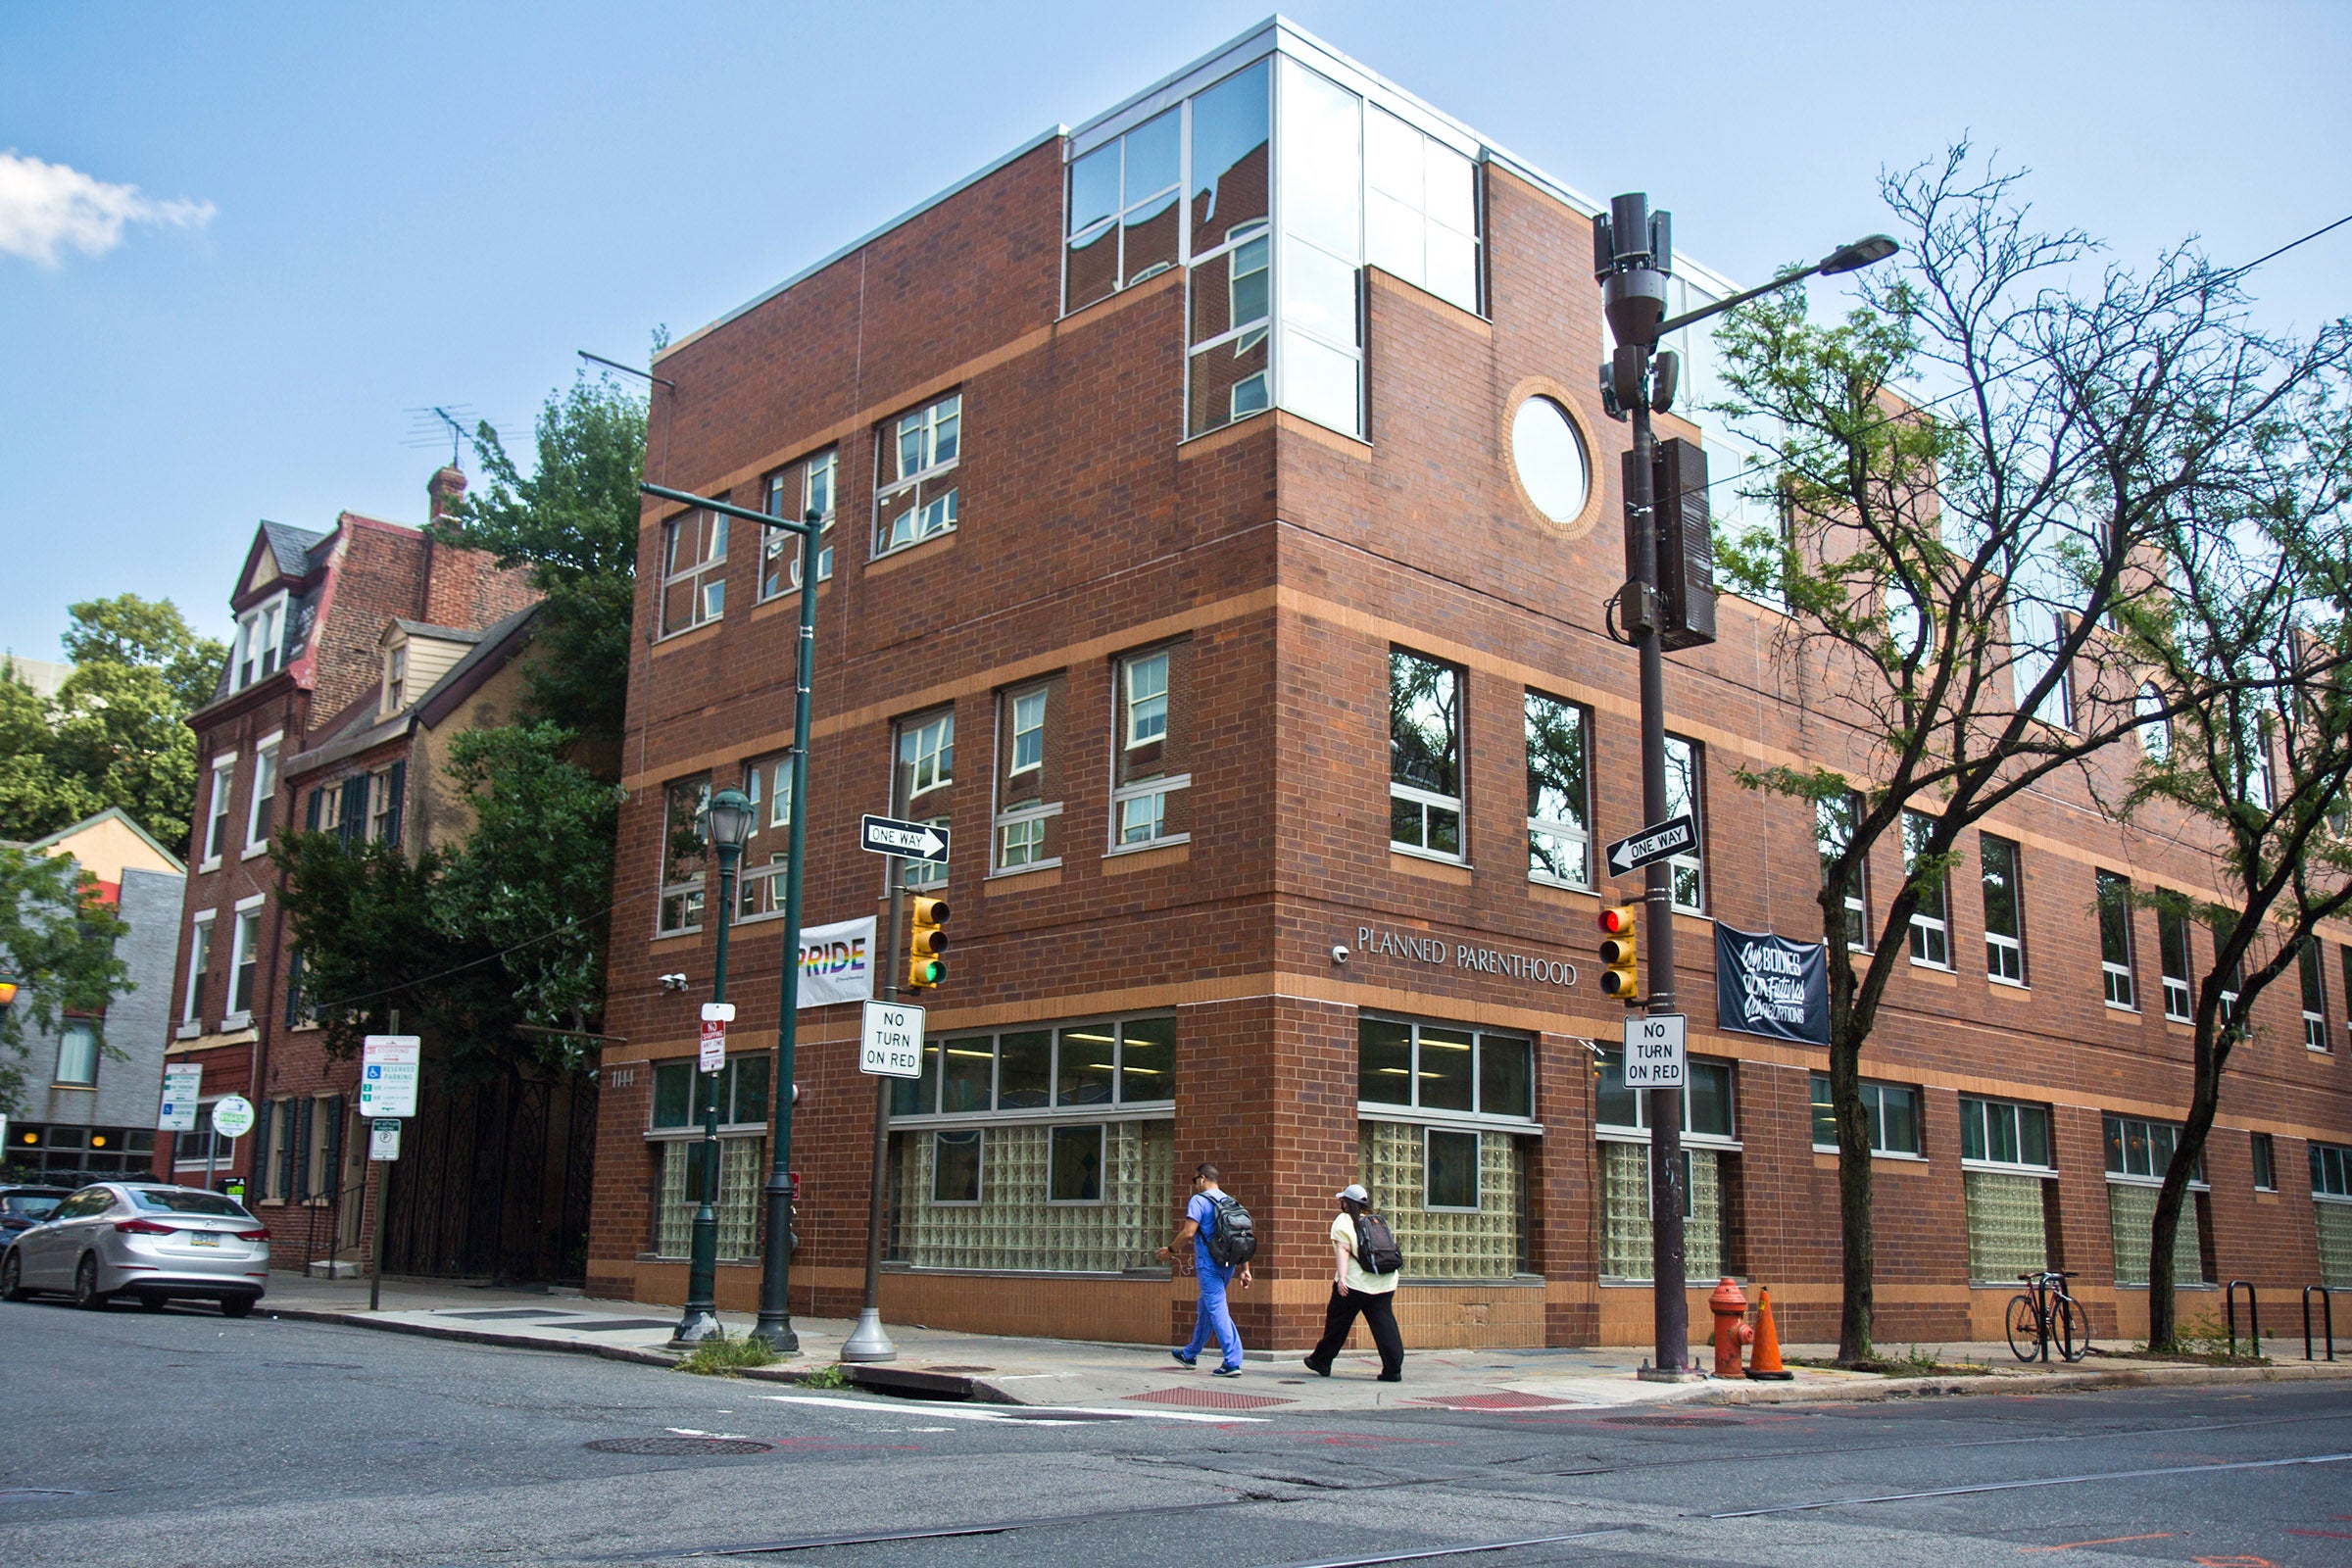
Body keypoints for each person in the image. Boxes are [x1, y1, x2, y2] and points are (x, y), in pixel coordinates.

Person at [1156, 1162, 1251, 1376]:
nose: (1195, 1185)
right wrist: (1245, 1268)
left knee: (1217, 1308)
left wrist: (1170, 1251)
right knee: (1206, 1308)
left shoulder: (1199, 1200)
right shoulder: (1230, 1201)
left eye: (1195, 1180)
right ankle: (1190, 1354)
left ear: (1202, 1179)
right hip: (1228, 1265)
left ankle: (1232, 1361)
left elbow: (1189, 1233)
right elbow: (1241, 1236)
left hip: (1208, 1264)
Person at [1302, 1183, 1402, 1382]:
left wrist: (1342, 1280)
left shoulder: (1344, 1220)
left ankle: (1321, 1361)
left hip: (1356, 1283)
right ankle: (1393, 1370)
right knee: (1384, 1325)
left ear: (1347, 1203)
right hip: (1385, 1281)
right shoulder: (1376, 1221)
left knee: (1337, 1323)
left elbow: (1343, 1250)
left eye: (1342, 1200)